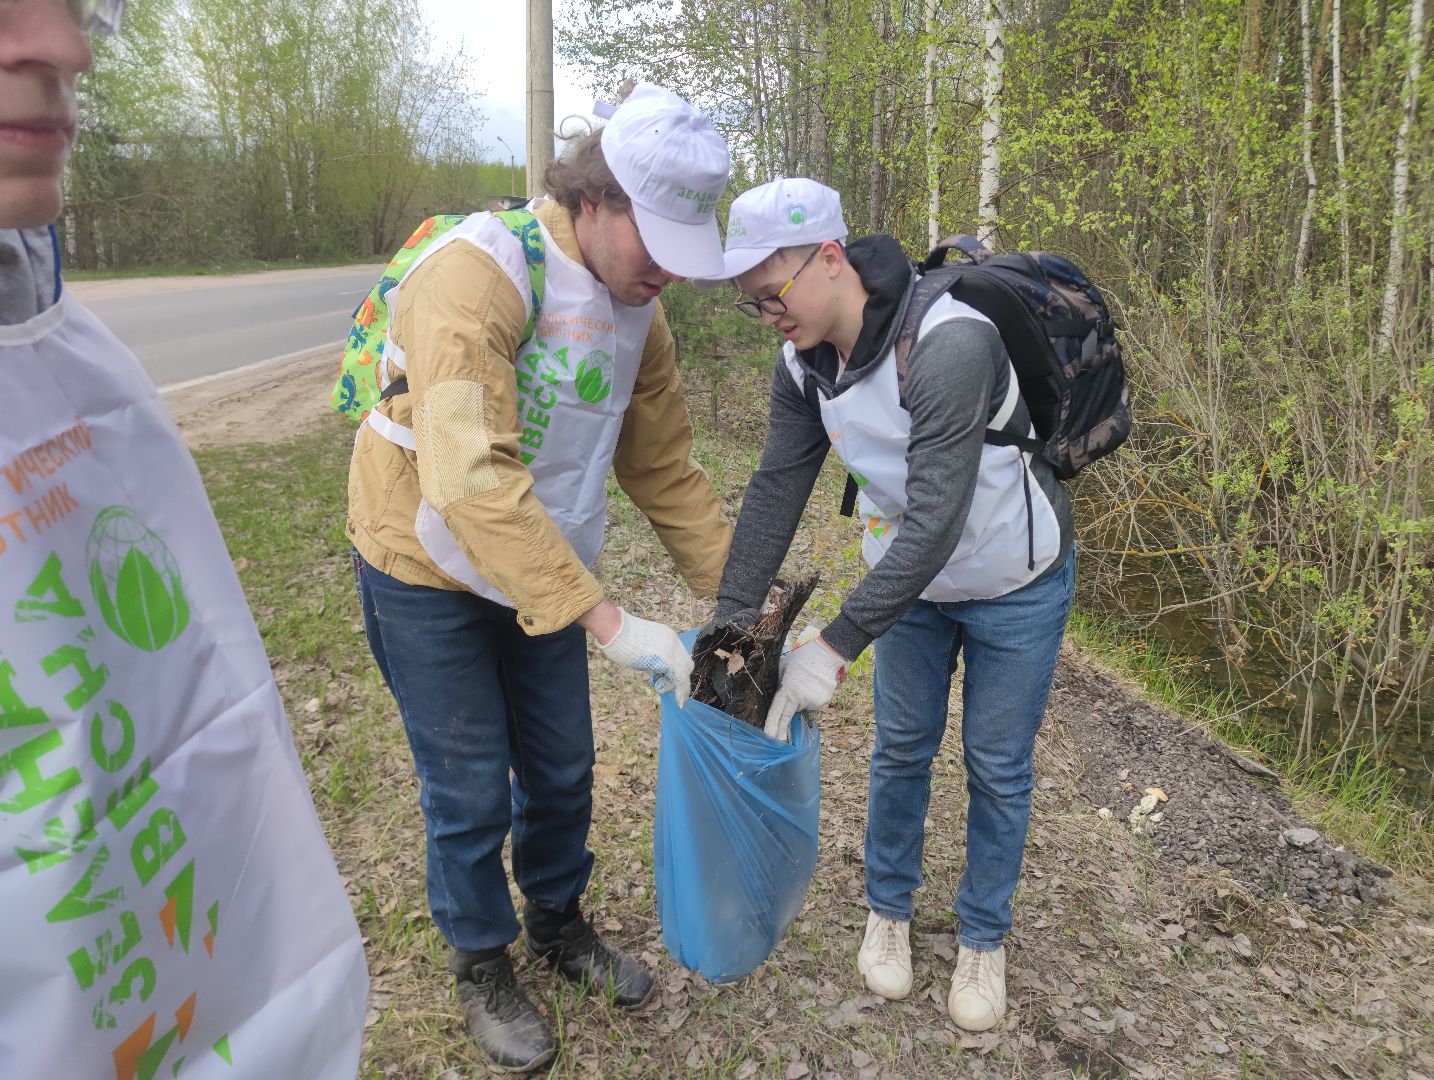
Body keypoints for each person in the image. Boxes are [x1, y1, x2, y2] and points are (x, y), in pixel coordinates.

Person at [0, 2, 367, 1077]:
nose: (66, 50)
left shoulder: (63, 340)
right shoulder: (487, 279)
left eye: (80, 6)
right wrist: (598, 610)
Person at [347, 84, 734, 1072]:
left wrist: (748, 602)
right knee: (470, 784)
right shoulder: (478, 275)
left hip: (544, 565)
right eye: (659, 247)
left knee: (561, 768)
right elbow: (469, 475)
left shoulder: (644, 313)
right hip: (424, 560)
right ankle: (482, 959)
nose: (668, 278)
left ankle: (557, 924)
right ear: (598, 199)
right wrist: (614, 625)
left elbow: (663, 469)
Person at [709, 178, 1075, 1033]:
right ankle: (890, 911)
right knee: (903, 747)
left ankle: (984, 936)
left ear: (829, 259)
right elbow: (775, 487)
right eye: (752, 304)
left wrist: (832, 646)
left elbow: (939, 519)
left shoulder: (949, 343)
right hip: (908, 584)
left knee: (996, 763)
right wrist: (729, 624)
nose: (768, 316)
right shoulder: (801, 361)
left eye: (773, 295)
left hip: (1014, 579)